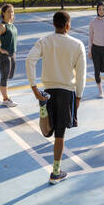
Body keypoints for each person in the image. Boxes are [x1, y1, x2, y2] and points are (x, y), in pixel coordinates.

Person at [26, 11, 86, 184]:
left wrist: (34, 86)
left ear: (53, 24)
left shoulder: (44, 41)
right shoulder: (77, 44)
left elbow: (30, 60)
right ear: (68, 25)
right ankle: (55, 172)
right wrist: (79, 96)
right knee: (59, 135)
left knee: (48, 131)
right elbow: (81, 75)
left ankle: (43, 107)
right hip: (67, 92)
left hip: (49, 91)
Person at [0, 4, 18, 107]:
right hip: (5, 55)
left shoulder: (12, 25)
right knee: (5, 77)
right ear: (3, 13)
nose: (11, 14)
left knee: (11, 75)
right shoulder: (2, 26)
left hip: (13, 53)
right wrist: (0, 49)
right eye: (8, 12)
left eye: (12, 11)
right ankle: (5, 99)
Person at [88, 1, 104, 98]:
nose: (101, 11)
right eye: (99, 9)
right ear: (97, 10)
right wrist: (90, 50)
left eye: (103, 9)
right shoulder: (93, 22)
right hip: (95, 48)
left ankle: (100, 86)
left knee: (103, 69)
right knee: (97, 70)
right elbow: (90, 36)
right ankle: (100, 90)